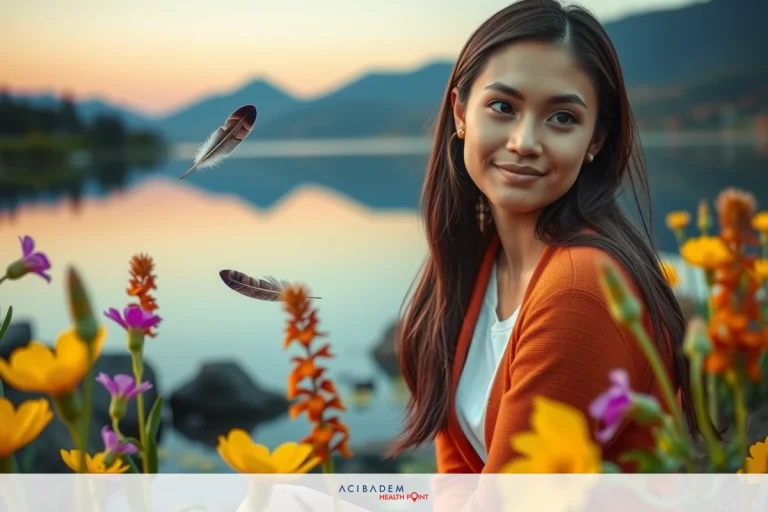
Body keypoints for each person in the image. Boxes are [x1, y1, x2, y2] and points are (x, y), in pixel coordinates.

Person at [386, 0, 703, 475]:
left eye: (562, 118)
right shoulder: (477, 264)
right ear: (460, 113)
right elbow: (458, 482)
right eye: (502, 107)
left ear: (595, 139)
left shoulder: (580, 288)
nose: (524, 141)